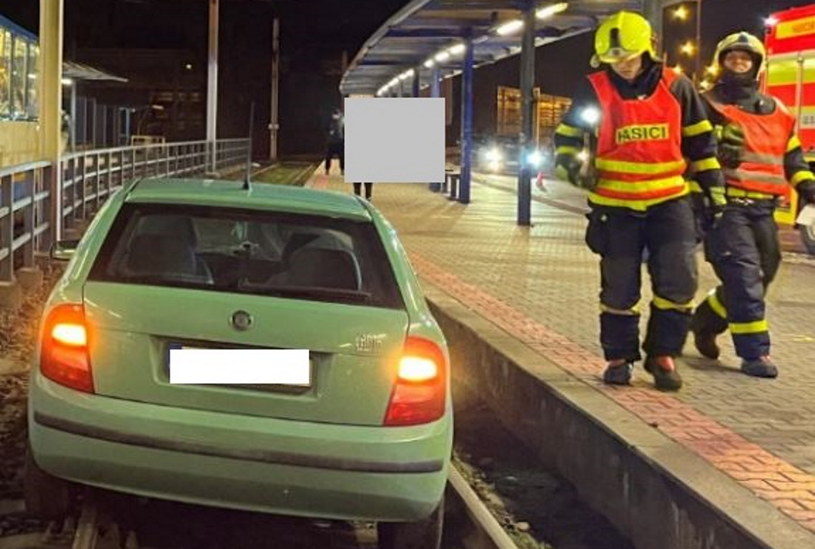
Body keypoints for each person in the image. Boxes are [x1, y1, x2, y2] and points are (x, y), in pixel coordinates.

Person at [553, 11, 726, 391]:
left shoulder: (677, 86)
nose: (624, 67)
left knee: (679, 281)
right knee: (618, 288)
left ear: (647, 50)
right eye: (616, 60)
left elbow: (701, 143)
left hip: (669, 202)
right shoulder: (593, 89)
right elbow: (566, 138)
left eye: (629, 58)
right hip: (614, 207)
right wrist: (571, 167)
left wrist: (712, 189)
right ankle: (618, 357)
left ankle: (663, 355)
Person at [689, 32, 815, 378]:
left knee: (762, 276)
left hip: (764, 210)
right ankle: (755, 354)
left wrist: (809, 187)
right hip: (725, 208)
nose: (739, 64)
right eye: (732, 58)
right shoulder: (707, 104)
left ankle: (706, 319)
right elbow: (689, 150)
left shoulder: (780, 112)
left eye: (746, 59)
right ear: (721, 62)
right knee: (744, 277)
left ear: (756, 65)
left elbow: (793, 160)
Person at [325, 107, 345, 175]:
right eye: (334, 115)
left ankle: (342, 170)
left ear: (339, 115)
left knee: (342, 157)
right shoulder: (329, 121)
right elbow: (325, 129)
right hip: (331, 143)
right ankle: (327, 170)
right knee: (328, 157)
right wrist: (328, 135)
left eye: (337, 114)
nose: (335, 116)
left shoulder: (342, 121)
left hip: (340, 142)